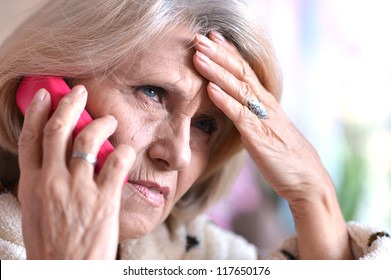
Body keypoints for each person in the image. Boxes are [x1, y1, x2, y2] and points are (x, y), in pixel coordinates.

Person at [0, 0, 389, 260]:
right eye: (152, 93)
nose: (179, 153)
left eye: (205, 125)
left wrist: (314, 195)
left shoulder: (206, 255)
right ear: (47, 89)